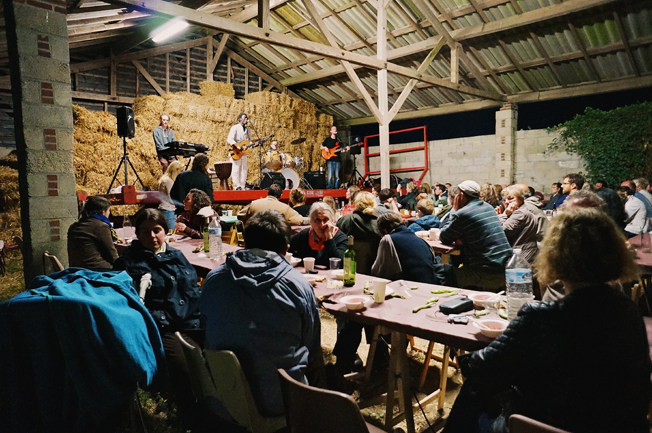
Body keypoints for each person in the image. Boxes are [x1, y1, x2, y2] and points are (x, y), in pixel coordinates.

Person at [443, 207, 651, 433]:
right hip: (622, 426)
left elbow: (481, 368)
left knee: (473, 392)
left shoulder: (541, 317)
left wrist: (468, 354)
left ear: (556, 257)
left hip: (540, 426)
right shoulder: (629, 311)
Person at [200, 209, 321, 417]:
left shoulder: (214, 279)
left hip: (223, 396)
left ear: (244, 243)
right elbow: (311, 345)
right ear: (286, 249)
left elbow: (205, 327)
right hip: (281, 400)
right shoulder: (298, 286)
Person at [113, 208, 203, 429]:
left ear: (166, 231)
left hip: (192, 321)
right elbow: (131, 305)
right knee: (187, 367)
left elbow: (193, 289)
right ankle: (192, 419)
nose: (152, 236)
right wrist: (167, 317)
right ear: (137, 233)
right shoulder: (128, 263)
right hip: (162, 327)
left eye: (157, 230)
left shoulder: (177, 255)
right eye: (145, 231)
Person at [439, 180, 512, 291]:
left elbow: (444, 237)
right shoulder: (488, 207)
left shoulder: (463, 213)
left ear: (461, 196)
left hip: (485, 273)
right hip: (506, 269)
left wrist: (455, 210)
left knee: (442, 272)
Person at [372, 212, 440, 283]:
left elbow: (379, 271)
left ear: (384, 231)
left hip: (409, 286)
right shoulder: (420, 239)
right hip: (431, 285)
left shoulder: (388, 240)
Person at [67, 196, 119, 271]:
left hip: (75, 270)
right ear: (103, 212)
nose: (109, 213)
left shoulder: (74, 226)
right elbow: (112, 254)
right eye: (108, 210)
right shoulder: (100, 226)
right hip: (96, 270)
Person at [336, 191, 383, 274]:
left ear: (356, 204)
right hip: (373, 270)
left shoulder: (345, 220)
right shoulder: (380, 224)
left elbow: (336, 242)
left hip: (347, 267)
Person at [289, 202, 348, 267]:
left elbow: (340, 264)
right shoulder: (304, 235)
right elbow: (285, 246)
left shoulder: (341, 238)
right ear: (311, 221)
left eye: (326, 219)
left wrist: (329, 238)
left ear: (332, 221)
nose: (321, 225)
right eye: (317, 220)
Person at [496, 185, 538, 264]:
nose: (507, 202)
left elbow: (502, 232)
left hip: (522, 257)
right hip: (525, 253)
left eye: (511, 198)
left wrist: (503, 215)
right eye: (504, 200)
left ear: (520, 199)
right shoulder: (521, 210)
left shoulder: (520, 213)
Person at [238, 184, 308, 226]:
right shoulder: (285, 208)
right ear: (281, 196)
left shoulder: (254, 204)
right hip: (275, 242)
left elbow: (240, 215)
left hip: (255, 240)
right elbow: (300, 220)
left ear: (268, 193)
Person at [226, 113, 252, 190]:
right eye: (244, 117)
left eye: (246, 118)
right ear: (240, 119)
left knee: (244, 169)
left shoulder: (248, 130)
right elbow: (230, 139)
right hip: (236, 151)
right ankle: (237, 186)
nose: (246, 119)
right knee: (236, 169)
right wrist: (238, 146)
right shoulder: (235, 127)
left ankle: (242, 186)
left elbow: (249, 141)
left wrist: (253, 144)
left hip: (243, 152)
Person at [157, 160, 184, 230]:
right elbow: (171, 197)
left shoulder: (166, 179)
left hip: (166, 209)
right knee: (171, 232)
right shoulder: (169, 181)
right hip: (169, 210)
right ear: (175, 170)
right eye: (180, 171)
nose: (181, 173)